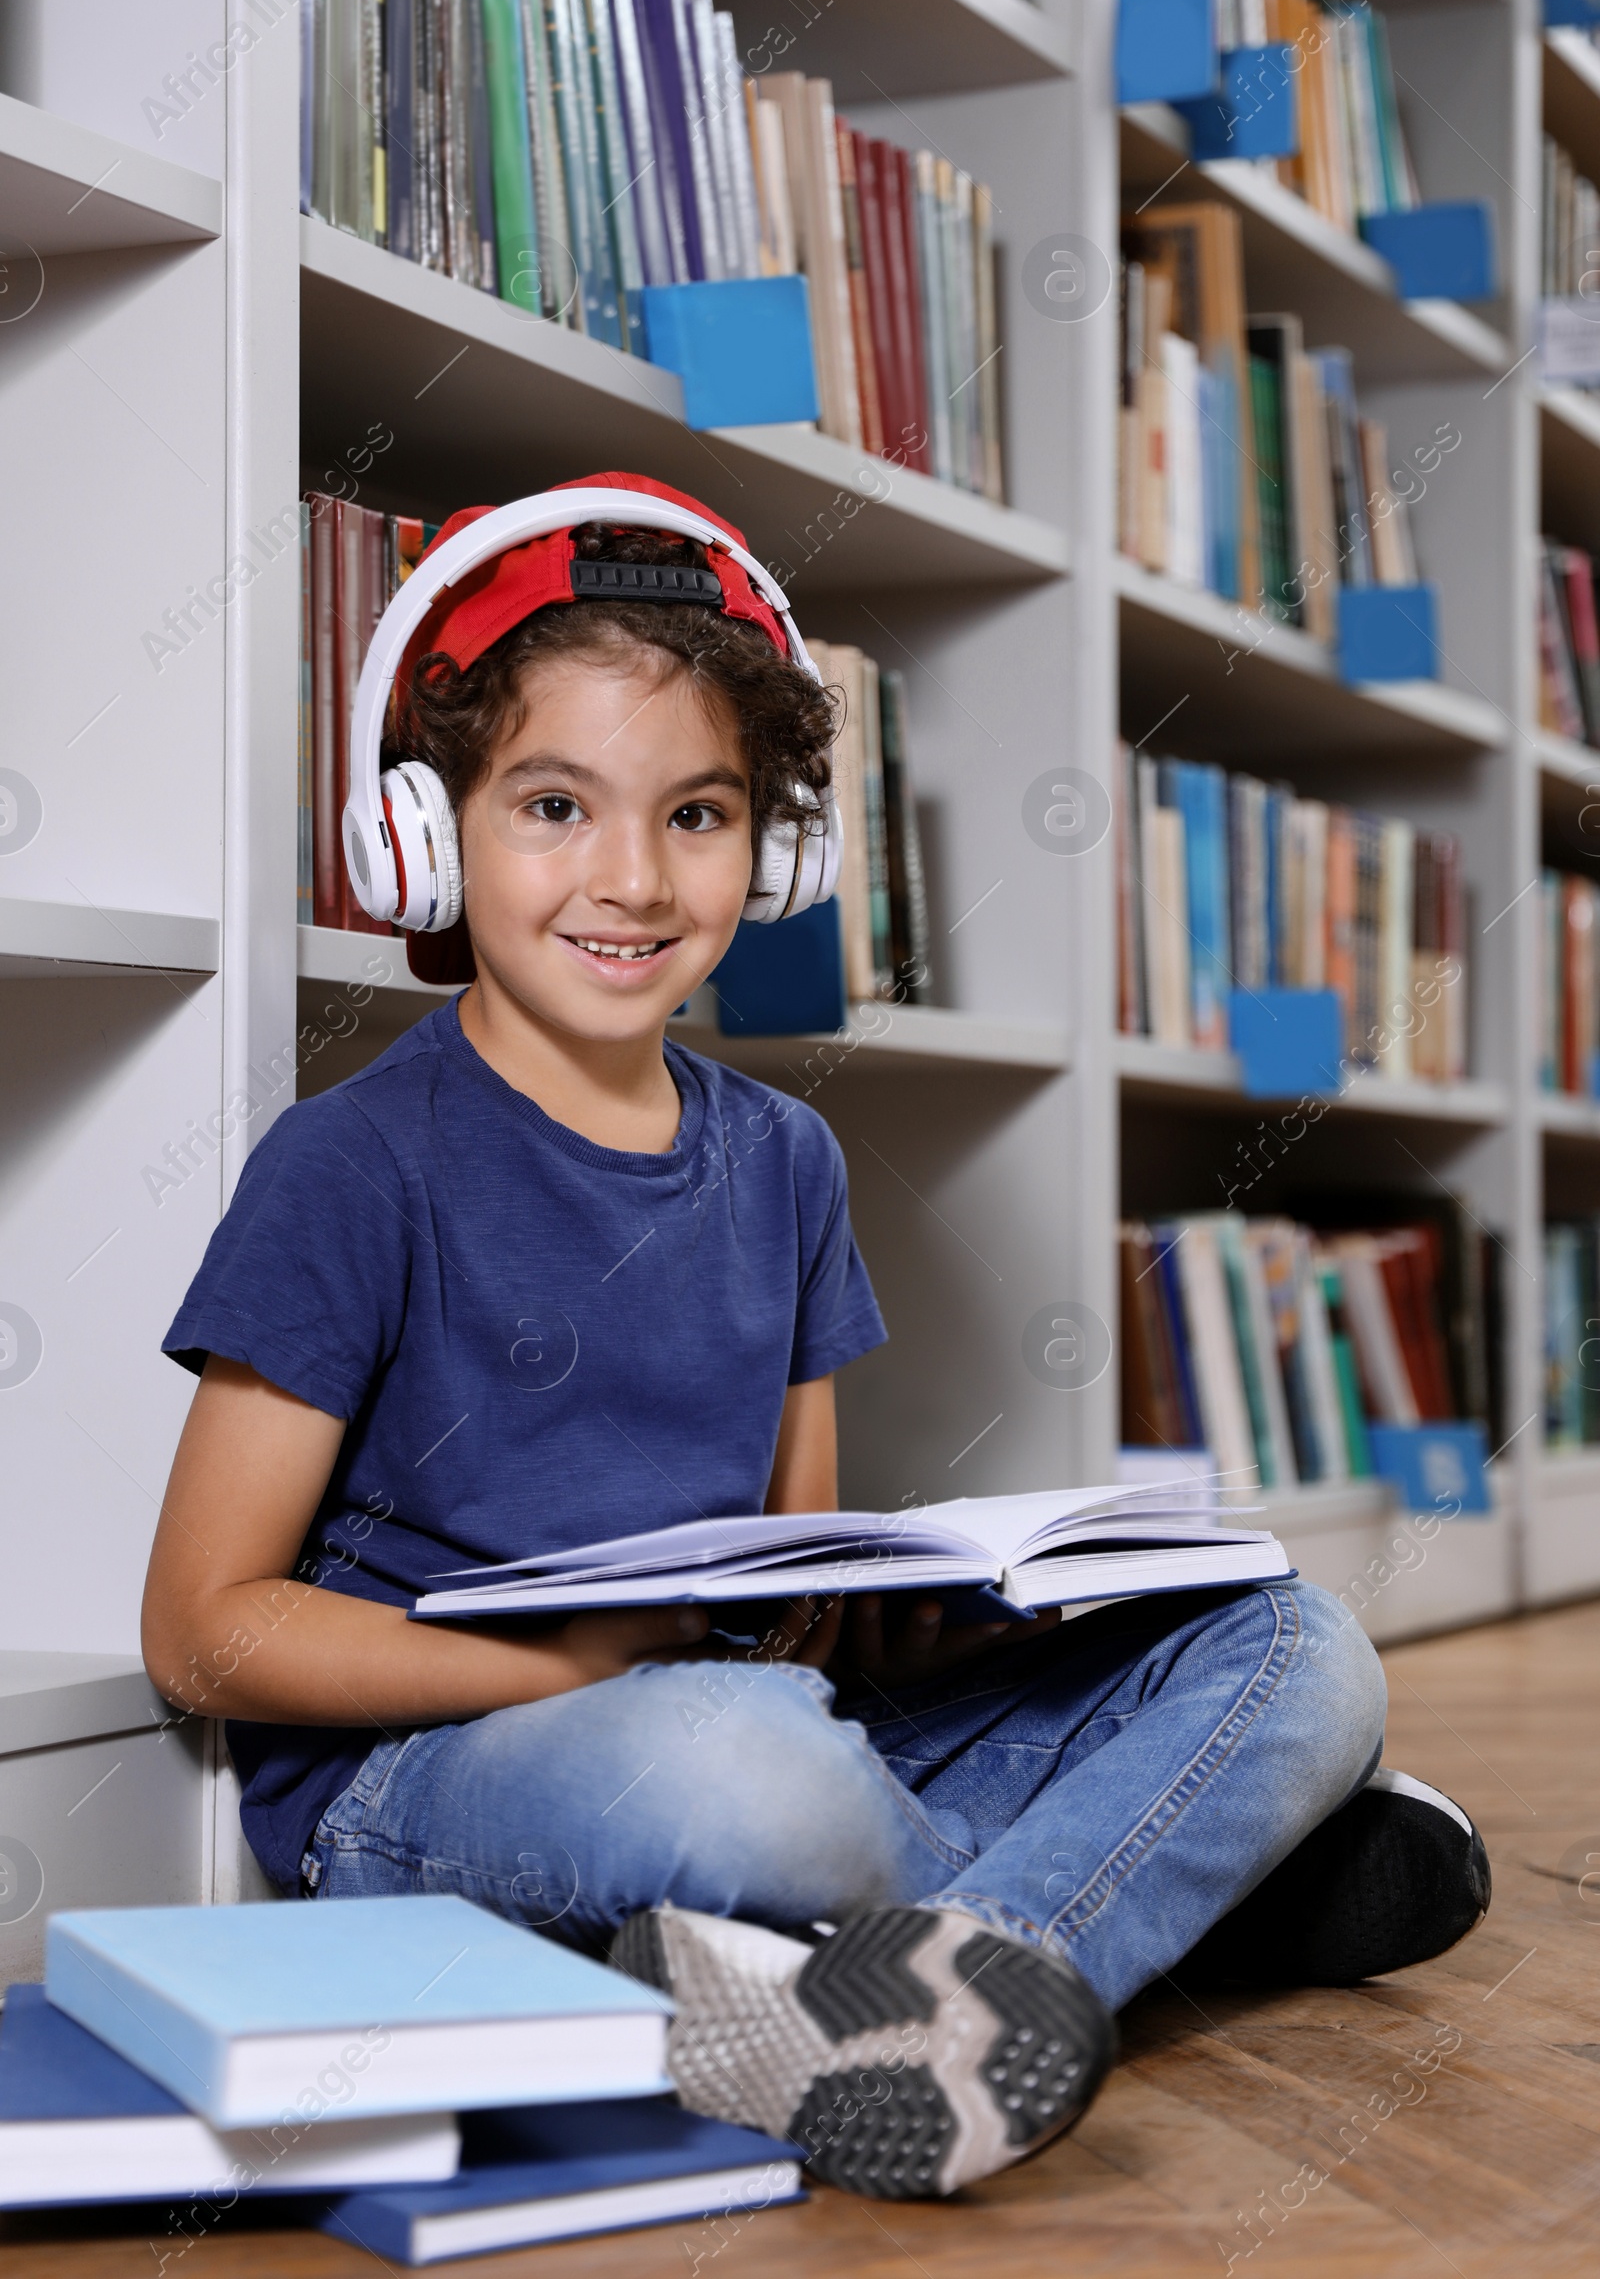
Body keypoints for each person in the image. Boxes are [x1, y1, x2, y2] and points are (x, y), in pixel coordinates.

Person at [142, 475, 1489, 2203]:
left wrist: (969, 1610)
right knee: (758, 1775)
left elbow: (799, 1601)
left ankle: (896, 1983)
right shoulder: (352, 1165)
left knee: (1299, 1642)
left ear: (776, 854)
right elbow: (209, 1636)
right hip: (449, 1770)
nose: (630, 877)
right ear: (424, 828)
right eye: (554, 804)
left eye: (698, 815)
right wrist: (576, 1671)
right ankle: (1149, 1907)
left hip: (757, 1724)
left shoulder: (785, 1158)